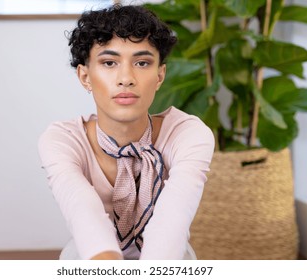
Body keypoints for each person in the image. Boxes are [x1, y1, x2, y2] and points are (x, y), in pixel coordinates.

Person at [38, 4, 214, 260]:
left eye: (142, 63)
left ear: (160, 75)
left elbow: (171, 223)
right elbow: (84, 214)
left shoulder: (188, 134)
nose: (126, 78)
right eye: (109, 63)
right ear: (85, 76)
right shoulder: (62, 140)